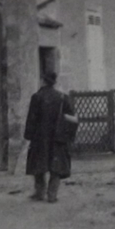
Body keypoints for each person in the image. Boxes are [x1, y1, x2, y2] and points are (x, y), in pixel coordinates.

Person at [23, 70, 77, 203]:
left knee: (38, 165)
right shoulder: (62, 97)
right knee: (56, 166)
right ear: (54, 82)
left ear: (43, 80)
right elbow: (72, 119)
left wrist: (28, 135)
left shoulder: (37, 97)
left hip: (40, 137)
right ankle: (52, 195)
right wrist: (68, 136)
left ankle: (39, 193)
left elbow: (32, 119)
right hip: (58, 137)